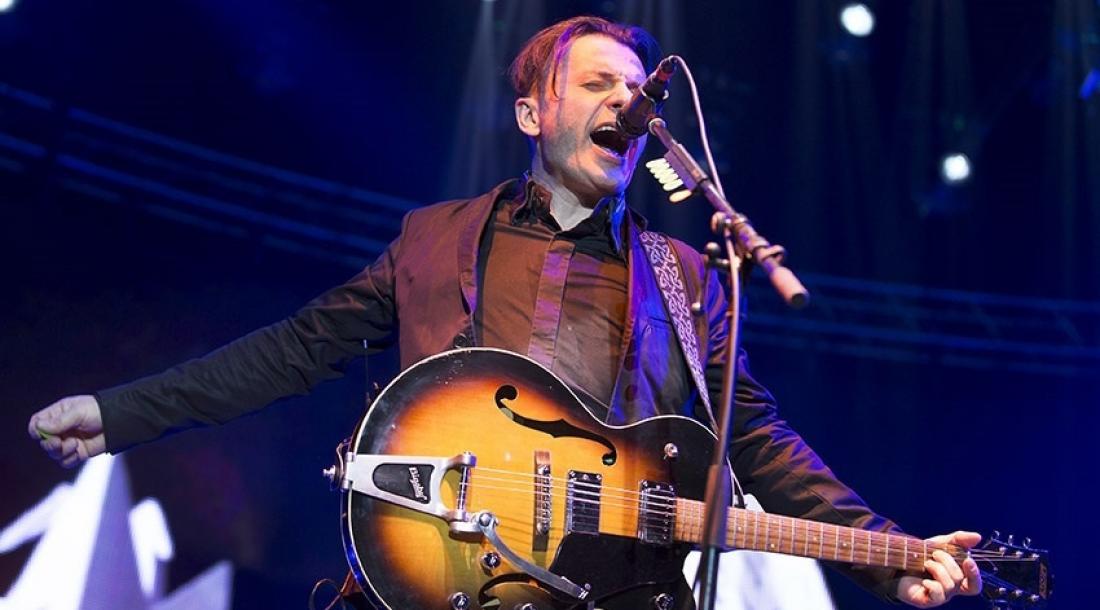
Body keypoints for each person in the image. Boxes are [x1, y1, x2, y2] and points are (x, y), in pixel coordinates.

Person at [27, 16, 981, 608]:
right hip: (436, 578)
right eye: (598, 84)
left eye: (636, 89)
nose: (626, 102)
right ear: (534, 114)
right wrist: (122, 413)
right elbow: (292, 350)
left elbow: (760, 438)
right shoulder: (433, 240)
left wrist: (889, 554)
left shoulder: (687, 277)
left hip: (612, 594)